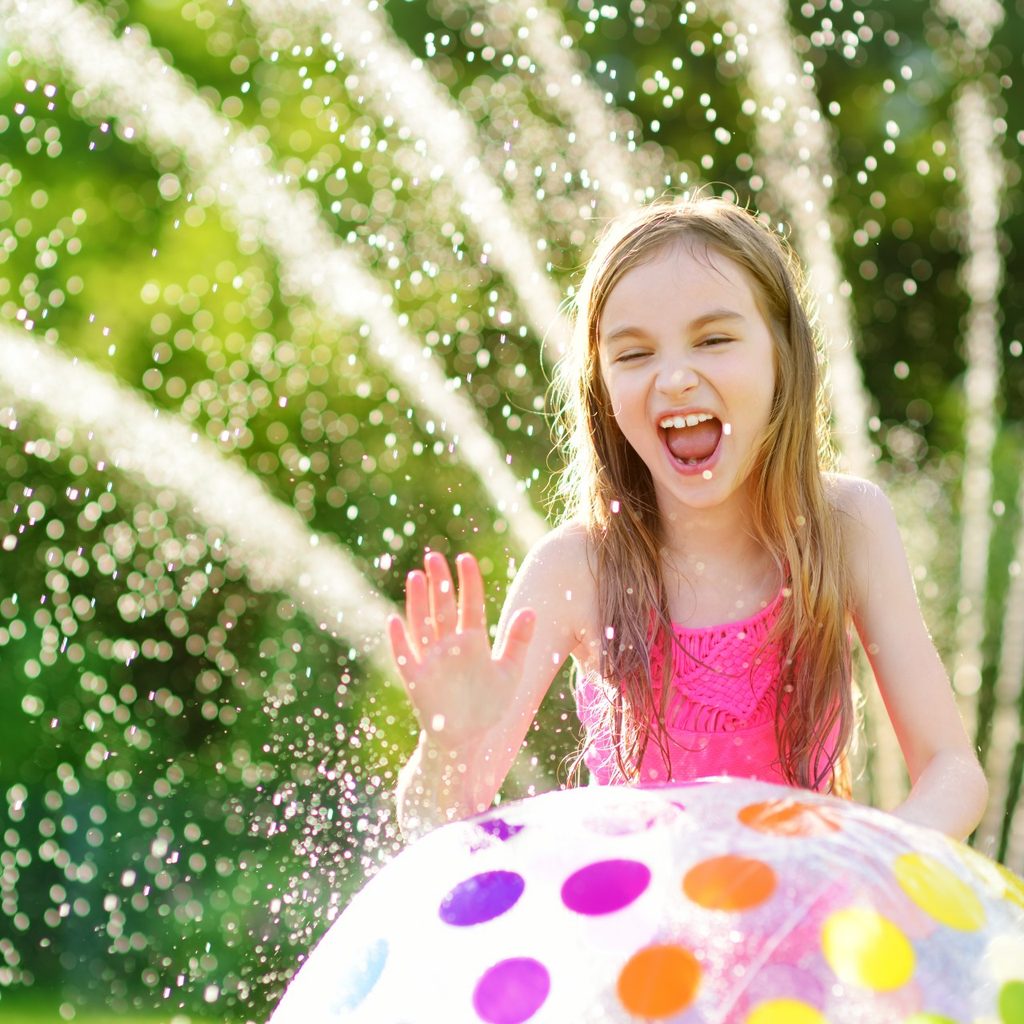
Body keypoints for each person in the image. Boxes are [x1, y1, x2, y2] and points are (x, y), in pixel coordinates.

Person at [387, 194, 988, 841]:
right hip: (640, 928)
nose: (674, 377)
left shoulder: (844, 529)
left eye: (714, 339)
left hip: (801, 917)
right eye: (634, 354)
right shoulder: (579, 571)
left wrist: (879, 864)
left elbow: (953, 768)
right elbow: (434, 822)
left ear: (783, 354)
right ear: (603, 390)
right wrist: (448, 746)